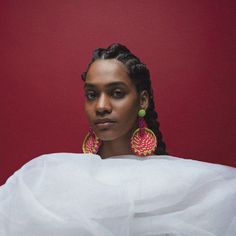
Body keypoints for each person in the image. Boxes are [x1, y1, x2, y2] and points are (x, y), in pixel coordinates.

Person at [0, 43, 235, 236]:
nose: (101, 106)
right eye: (92, 95)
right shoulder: (45, 180)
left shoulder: (190, 186)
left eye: (117, 93)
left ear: (142, 101)